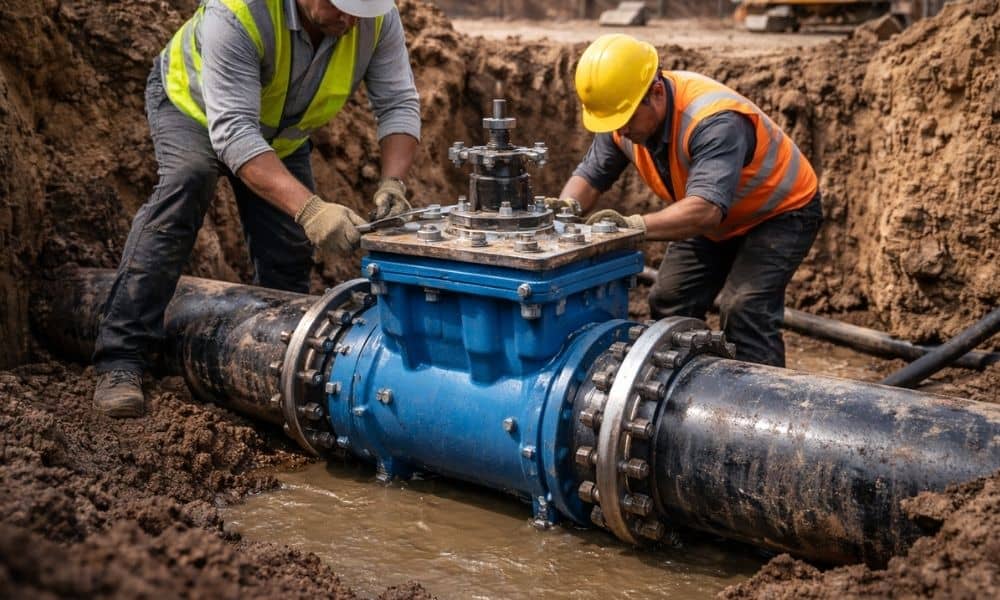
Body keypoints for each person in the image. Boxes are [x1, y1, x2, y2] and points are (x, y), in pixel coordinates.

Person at [92, 0, 421, 417]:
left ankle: (280, 371)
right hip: (194, 108)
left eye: (361, 9)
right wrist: (311, 210)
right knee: (186, 186)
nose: (351, 19)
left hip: (278, 132)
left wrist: (393, 180)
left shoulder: (376, 18)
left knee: (286, 249)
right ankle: (121, 358)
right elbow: (233, 134)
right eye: (341, 5)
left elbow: (398, 102)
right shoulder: (237, 12)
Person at [556, 34, 822, 367]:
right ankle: (683, 394)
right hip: (718, 217)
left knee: (745, 310)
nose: (619, 132)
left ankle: (762, 408)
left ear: (655, 93)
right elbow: (592, 176)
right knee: (670, 299)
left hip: (779, 213)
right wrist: (563, 213)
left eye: (624, 121)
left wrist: (632, 227)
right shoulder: (623, 116)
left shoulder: (713, 121)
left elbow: (707, 211)